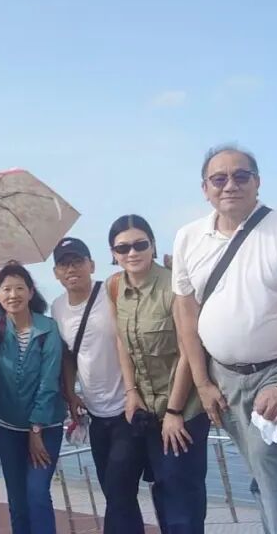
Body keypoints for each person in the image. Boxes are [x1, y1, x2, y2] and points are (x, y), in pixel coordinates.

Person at [172, 145, 277, 534]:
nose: (230, 185)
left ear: (257, 182)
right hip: (224, 376)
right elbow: (186, 316)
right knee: (262, 468)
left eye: (241, 176)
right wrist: (203, 383)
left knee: (273, 467)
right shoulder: (189, 237)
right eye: (219, 179)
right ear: (205, 188)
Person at [108, 214, 209, 534]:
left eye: (140, 244)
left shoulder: (174, 287)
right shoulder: (114, 287)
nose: (132, 253)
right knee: (161, 491)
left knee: (181, 497)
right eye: (123, 248)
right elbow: (121, 343)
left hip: (183, 409)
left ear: (153, 245)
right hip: (147, 410)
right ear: (113, 253)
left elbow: (188, 351)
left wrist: (175, 411)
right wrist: (130, 391)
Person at [49, 237, 146, 533]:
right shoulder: (57, 308)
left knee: (118, 490)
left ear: (91, 264)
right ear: (56, 273)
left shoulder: (113, 290)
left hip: (128, 409)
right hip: (95, 415)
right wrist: (70, 395)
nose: (71, 269)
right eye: (64, 264)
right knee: (119, 495)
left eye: (77, 261)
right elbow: (68, 356)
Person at [0, 261, 65, 534]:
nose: (12, 295)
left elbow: (49, 383)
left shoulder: (48, 328)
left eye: (19, 288)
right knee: (16, 500)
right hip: (8, 427)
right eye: (6, 289)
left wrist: (35, 429)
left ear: (30, 291)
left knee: (37, 493)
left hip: (46, 427)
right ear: (0, 296)